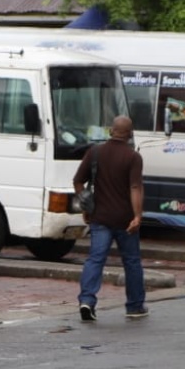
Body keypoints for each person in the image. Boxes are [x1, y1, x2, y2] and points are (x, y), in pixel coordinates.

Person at [73, 115, 146, 321]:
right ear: (130, 134)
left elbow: (78, 181)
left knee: (95, 259)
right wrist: (137, 216)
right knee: (131, 262)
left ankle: (87, 300)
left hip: (100, 218)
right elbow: (135, 188)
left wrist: (86, 205)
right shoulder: (133, 157)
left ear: (111, 131)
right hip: (125, 219)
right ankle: (135, 306)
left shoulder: (95, 153)